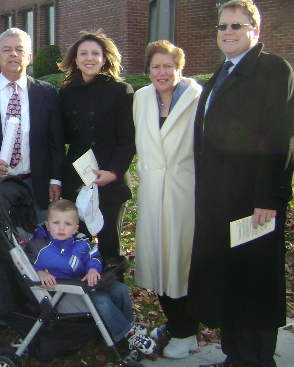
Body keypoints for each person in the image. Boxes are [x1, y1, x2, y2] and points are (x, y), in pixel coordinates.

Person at [190, 0, 294, 367]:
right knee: (230, 282)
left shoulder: (272, 70)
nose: (228, 32)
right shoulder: (221, 74)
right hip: (219, 201)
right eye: (223, 26)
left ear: (256, 30)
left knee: (255, 285)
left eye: (237, 25)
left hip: (254, 203)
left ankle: (256, 360)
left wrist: (269, 197)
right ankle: (234, 356)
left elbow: (279, 138)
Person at [133, 40, 202, 359]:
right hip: (151, 192)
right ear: (148, 71)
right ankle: (174, 323)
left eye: (168, 66)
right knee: (158, 261)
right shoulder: (141, 98)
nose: (162, 72)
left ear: (179, 68)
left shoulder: (197, 99)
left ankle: (188, 331)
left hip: (183, 193)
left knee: (180, 262)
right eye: (155, 67)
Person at [0, 27, 65, 223]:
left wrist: (55, 179)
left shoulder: (47, 93)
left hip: (36, 184)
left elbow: (56, 141)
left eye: (20, 49)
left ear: (29, 56)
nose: (13, 54)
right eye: (7, 50)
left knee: (37, 246)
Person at [24, 199, 156, 356]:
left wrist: (93, 269)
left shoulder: (81, 241)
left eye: (67, 224)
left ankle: (130, 324)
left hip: (86, 284)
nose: (61, 227)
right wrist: (40, 273)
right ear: (47, 224)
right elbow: (27, 265)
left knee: (119, 289)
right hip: (64, 292)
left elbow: (94, 256)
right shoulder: (39, 246)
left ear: (75, 228)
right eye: (56, 222)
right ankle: (127, 334)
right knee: (103, 301)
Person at [57, 30, 135, 267]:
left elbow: (128, 139)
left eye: (95, 53)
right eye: (83, 54)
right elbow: (61, 136)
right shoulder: (66, 92)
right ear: (76, 59)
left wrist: (113, 172)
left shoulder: (121, 91)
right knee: (76, 240)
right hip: (77, 178)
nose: (89, 58)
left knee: (109, 242)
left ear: (104, 58)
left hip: (111, 178)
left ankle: (113, 293)